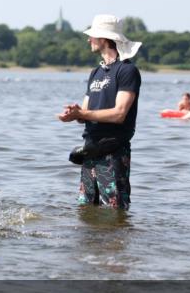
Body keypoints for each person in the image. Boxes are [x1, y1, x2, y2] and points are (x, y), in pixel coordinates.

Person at [58, 14, 141, 210]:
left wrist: (82, 114)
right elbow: (85, 112)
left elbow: (119, 113)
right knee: (86, 210)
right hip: (90, 150)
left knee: (115, 211)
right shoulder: (95, 73)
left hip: (113, 153)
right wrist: (74, 113)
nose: (89, 40)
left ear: (104, 39)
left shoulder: (127, 70)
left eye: (92, 36)